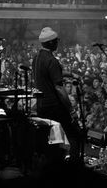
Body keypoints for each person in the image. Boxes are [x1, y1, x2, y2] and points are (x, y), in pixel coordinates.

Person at [32, 27, 80, 159]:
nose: (58, 43)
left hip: (42, 105)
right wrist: (71, 110)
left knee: (50, 137)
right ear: (51, 42)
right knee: (73, 133)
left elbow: (52, 73)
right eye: (56, 41)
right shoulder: (51, 60)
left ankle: (51, 161)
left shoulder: (37, 57)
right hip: (54, 106)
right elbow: (59, 88)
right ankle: (74, 164)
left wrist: (71, 74)